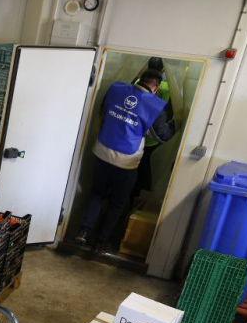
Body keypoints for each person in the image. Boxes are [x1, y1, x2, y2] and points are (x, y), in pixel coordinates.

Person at [75, 69, 174, 248]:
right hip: (126, 162)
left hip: (102, 151)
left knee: (97, 194)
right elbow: (162, 136)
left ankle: (83, 231)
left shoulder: (117, 88)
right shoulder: (156, 106)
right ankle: (100, 241)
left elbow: (103, 109)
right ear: (156, 87)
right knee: (117, 202)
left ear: (139, 79)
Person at [134, 58, 176, 197]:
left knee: (135, 167)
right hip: (153, 136)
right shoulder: (166, 87)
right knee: (147, 169)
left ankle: (133, 191)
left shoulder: (137, 82)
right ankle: (141, 195)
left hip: (136, 130)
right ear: (163, 69)